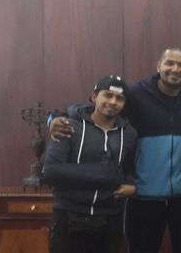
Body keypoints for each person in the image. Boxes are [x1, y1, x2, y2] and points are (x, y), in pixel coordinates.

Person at [49, 48, 181, 253]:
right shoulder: (134, 94)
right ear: (158, 65)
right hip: (144, 196)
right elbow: (91, 109)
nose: (175, 69)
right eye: (170, 63)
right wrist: (53, 118)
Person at [43, 75, 137, 253]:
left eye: (119, 98)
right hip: (70, 216)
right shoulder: (67, 125)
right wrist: (106, 176)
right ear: (94, 97)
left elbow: (128, 169)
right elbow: (51, 172)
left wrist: (131, 185)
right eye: (107, 95)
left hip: (110, 218)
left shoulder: (130, 133)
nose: (113, 101)